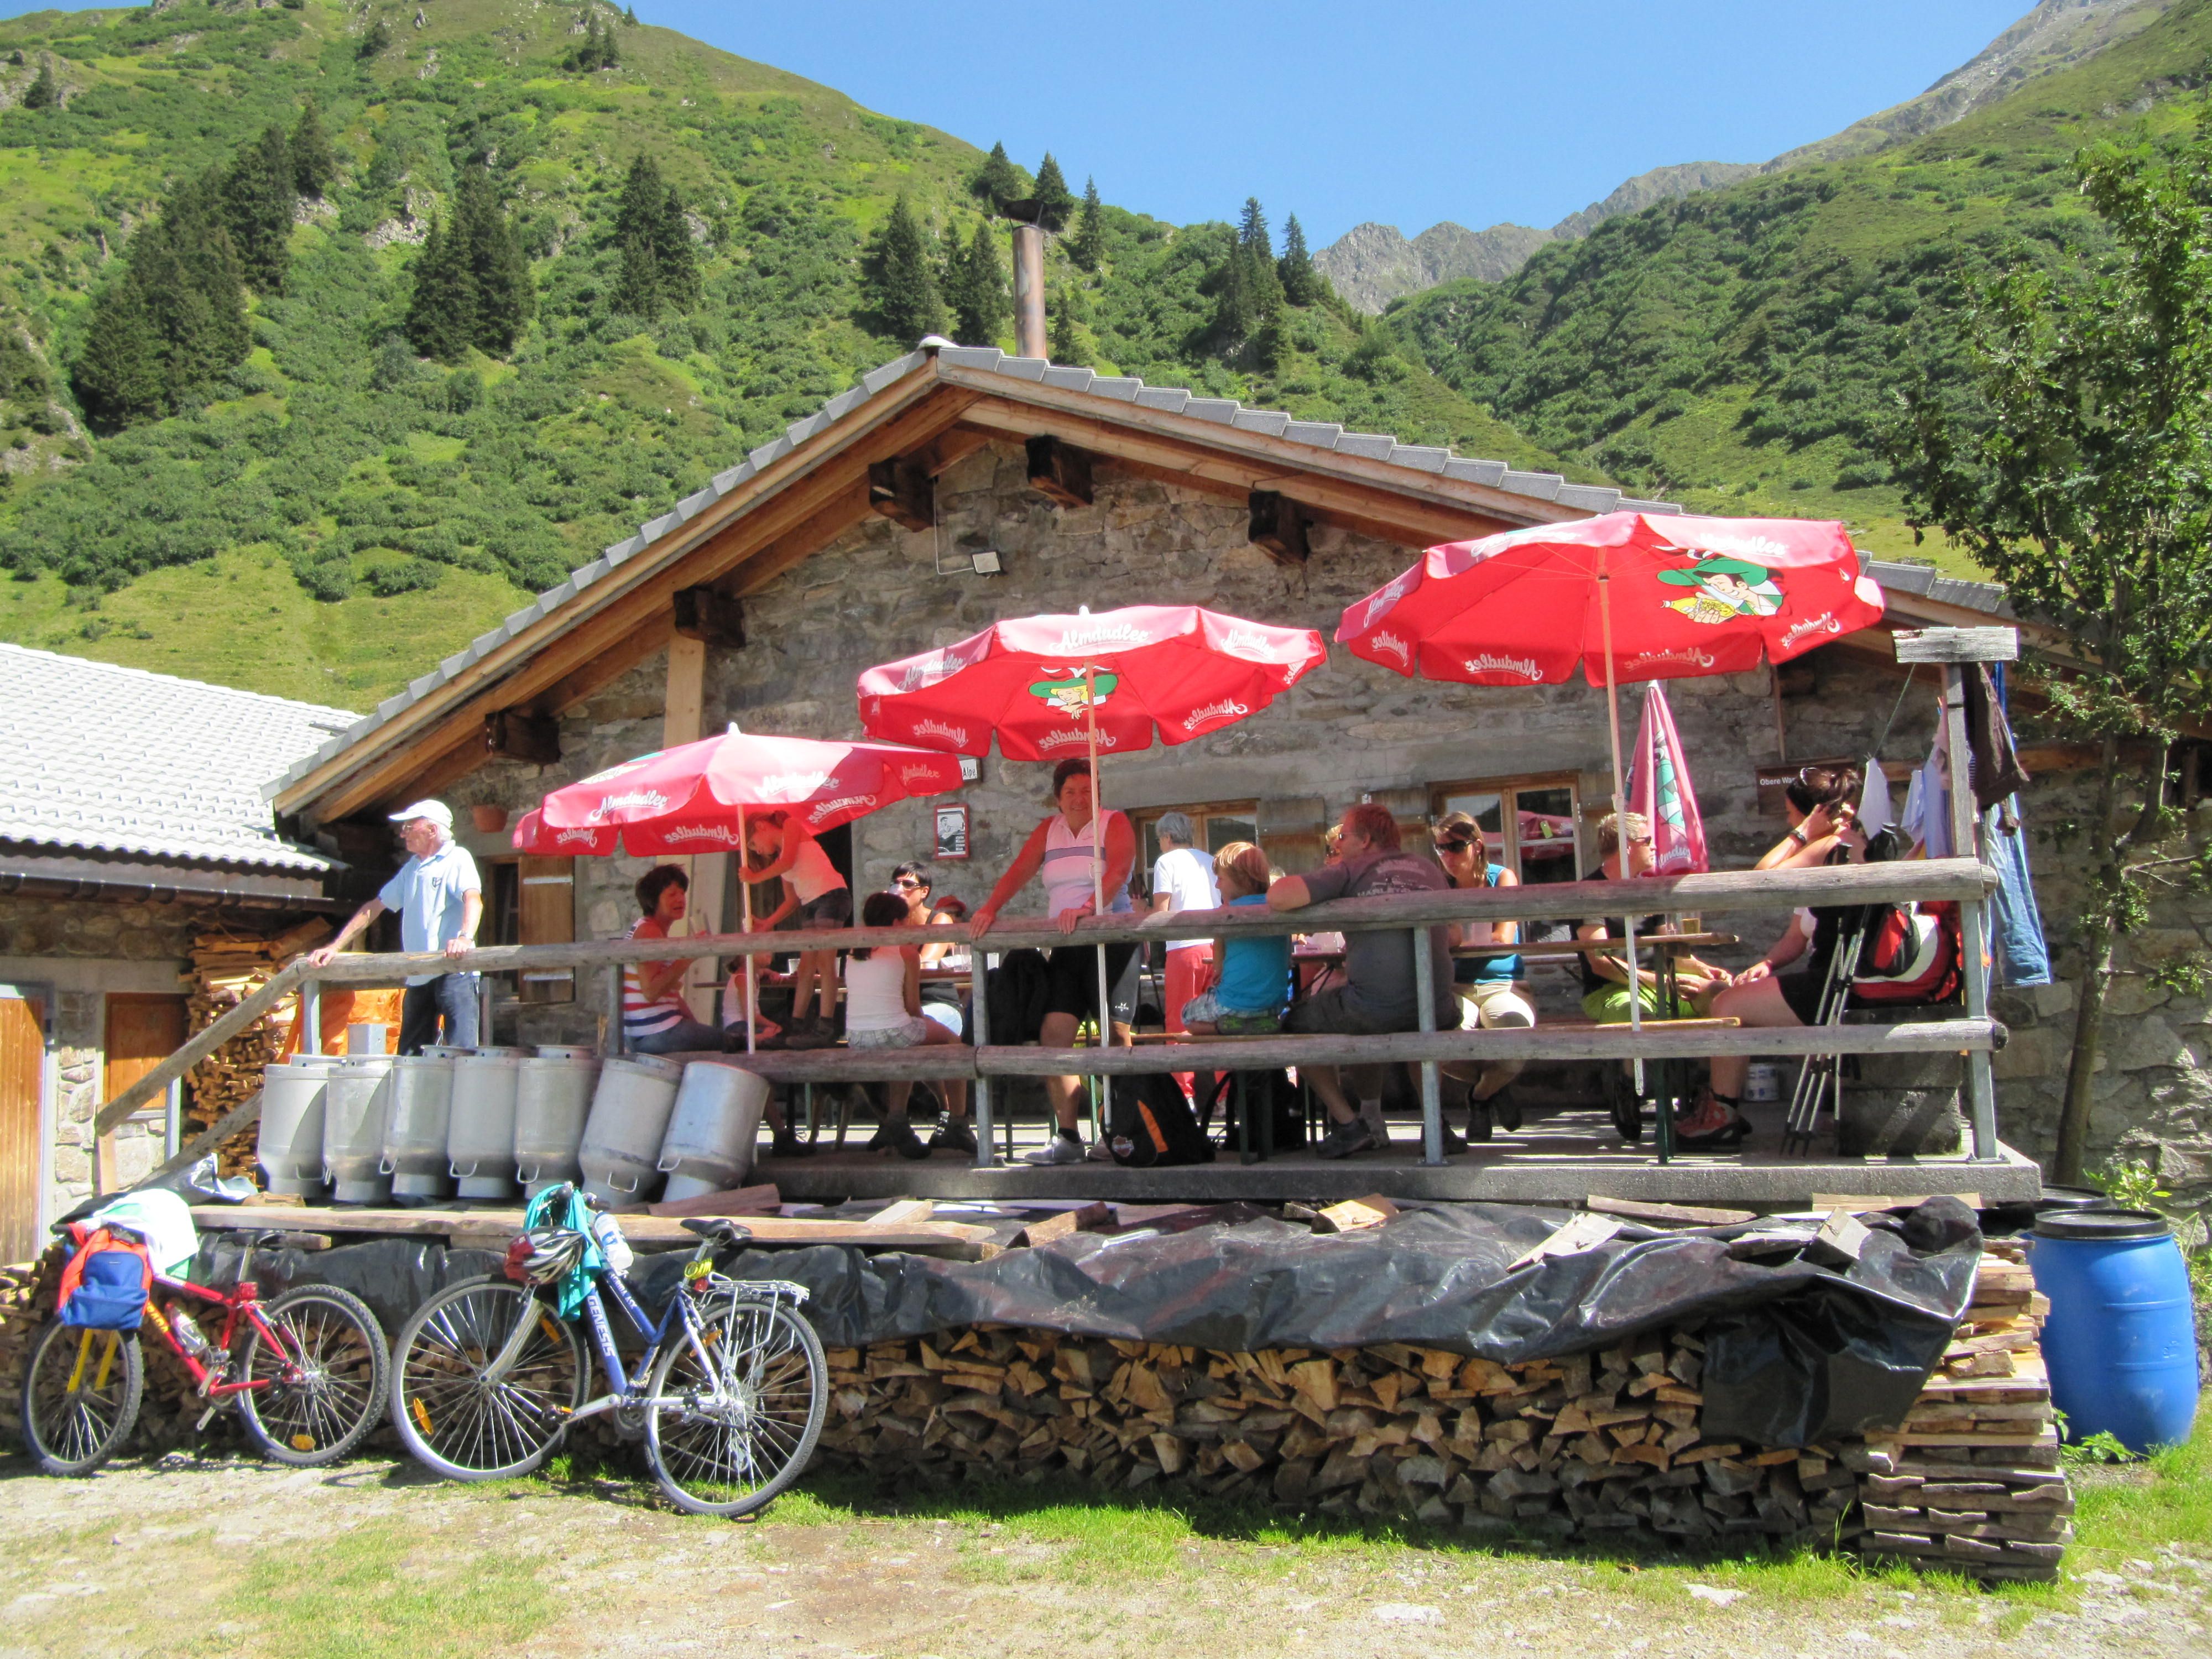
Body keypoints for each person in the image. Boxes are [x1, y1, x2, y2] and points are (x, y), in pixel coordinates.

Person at [1681, 786, 1875, 1146]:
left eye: (1790, 813)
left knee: (1726, 1004)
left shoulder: (1834, 844)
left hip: (1839, 982)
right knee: (1732, 998)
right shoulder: (1843, 846)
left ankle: (1722, 1117)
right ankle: (1723, 1109)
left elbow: (1761, 879)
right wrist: (1767, 963)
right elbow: (1797, 936)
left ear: (1815, 812)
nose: (1788, 821)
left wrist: (1803, 833)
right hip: (1839, 977)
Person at [970, 758, 1139, 1166]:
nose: (1079, 799)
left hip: (1111, 941)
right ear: (1058, 798)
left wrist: (1087, 908)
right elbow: (1019, 871)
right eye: (1070, 792)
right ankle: (1068, 1136)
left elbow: (1118, 871)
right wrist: (990, 908)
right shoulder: (1049, 829)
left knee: (1116, 1036)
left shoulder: (1114, 822)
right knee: (1054, 1035)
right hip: (1065, 944)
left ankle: (1122, 1130)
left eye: (1087, 790)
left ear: (1098, 793)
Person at [1266, 803, 1455, 1159]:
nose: (1337, 844)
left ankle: (1350, 1124)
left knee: (1293, 1024)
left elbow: (1279, 896)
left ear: (1365, 840)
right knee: (1419, 1022)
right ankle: (1436, 1123)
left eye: (1342, 836)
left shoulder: (1351, 869)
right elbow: (1456, 935)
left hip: (1375, 1009)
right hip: (1439, 1006)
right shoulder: (1429, 868)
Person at [620, 864, 808, 1156]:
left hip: (658, 1031)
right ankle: (774, 1136)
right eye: (672, 894)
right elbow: (652, 990)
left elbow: (670, 995)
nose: (680, 899)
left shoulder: (652, 931)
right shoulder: (649, 932)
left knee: (733, 1047)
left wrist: (696, 1027)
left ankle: (753, 1133)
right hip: (657, 1034)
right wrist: (690, 955)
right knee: (749, 1053)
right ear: (653, 899)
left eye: (682, 893)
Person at [307, 800, 480, 1054]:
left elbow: (473, 898)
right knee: (410, 1055)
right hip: (419, 972)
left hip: (455, 970)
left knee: (461, 1053)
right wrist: (335, 947)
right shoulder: (412, 868)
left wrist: (464, 938)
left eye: (409, 827)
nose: (403, 834)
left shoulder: (458, 858)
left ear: (432, 830)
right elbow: (374, 907)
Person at [844, 890, 974, 1158]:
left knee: (905, 1046)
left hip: (856, 1036)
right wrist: (928, 1022)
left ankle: (897, 1121)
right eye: (905, 922)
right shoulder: (906, 952)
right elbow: (913, 1007)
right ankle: (957, 1123)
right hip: (893, 1031)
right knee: (954, 1044)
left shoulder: (855, 952)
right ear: (896, 923)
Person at [1431, 811, 1534, 1141]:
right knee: (1440, 1044)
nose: (1447, 856)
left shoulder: (1501, 878)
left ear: (1477, 846)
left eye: (1455, 847)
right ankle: (1494, 1089)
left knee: (1515, 1035)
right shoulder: (1440, 888)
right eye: (1440, 848)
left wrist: (1457, 938)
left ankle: (1480, 1095)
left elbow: (1503, 937)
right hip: (1455, 986)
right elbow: (1441, 942)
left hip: (1502, 984)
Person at [1575, 812, 1733, 1025]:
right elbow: (1601, 963)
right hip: (1613, 990)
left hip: (1661, 986)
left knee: (1723, 996)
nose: (1655, 847)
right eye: (1648, 840)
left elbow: (1670, 950)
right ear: (1627, 846)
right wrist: (1663, 982)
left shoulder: (1650, 891)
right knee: (1640, 1017)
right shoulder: (1590, 893)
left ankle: (1706, 1049)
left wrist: (1704, 970)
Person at [745, 811, 851, 1050]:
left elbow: (788, 862)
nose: (757, 850)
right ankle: (796, 1024)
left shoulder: (792, 825)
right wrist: (767, 923)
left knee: (825, 962)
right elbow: (791, 901)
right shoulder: (780, 860)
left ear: (761, 825)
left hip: (831, 896)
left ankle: (826, 1026)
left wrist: (755, 878)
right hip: (810, 902)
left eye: (753, 843)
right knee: (805, 968)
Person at [1177, 842, 1288, 1035]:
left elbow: (1218, 968)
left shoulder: (1227, 913)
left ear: (1241, 880)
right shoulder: (1279, 908)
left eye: (1221, 879)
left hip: (1232, 1005)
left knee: (1187, 1015)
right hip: (1274, 1006)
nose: (1217, 885)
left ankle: (1224, 1028)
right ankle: (1254, 1026)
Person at [1149, 813, 1221, 1041]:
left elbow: (1161, 913)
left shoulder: (1166, 862)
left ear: (1168, 837)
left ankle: (1179, 1066)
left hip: (1184, 948)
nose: (1160, 845)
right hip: (1216, 946)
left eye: (1159, 840)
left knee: (1179, 1022)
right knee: (1213, 1020)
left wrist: (1140, 909)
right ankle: (1218, 1066)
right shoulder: (1210, 860)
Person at [890, 861, 967, 1037]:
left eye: (907, 884)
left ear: (924, 892)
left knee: (910, 1030)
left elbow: (924, 964)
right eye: (895, 884)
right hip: (900, 1007)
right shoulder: (891, 923)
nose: (900, 889)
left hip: (936, 1002)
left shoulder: (940, 920)